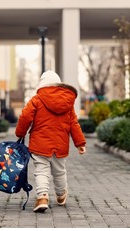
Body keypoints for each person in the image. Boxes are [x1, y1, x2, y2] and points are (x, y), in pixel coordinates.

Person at [15, 70, 86, 213]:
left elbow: (25, 117)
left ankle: (42, 197)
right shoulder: (68, 104)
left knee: (41, 171)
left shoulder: (36, 99)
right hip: (60, 145)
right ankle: (61, 195)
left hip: (39, 144)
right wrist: (80, 143)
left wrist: (20, 133)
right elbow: (74, 124)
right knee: (59, 171)